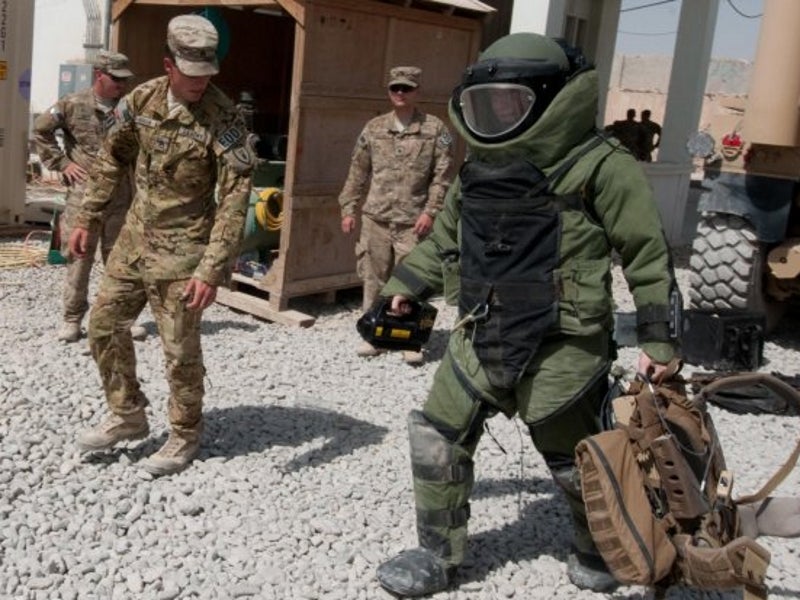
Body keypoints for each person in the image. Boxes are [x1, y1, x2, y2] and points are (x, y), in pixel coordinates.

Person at [375, 33, 680, 597]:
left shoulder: (603, 167)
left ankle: (600, 546)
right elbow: (445, 239)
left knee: (579, 459)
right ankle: (437, 552)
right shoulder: (478, 168)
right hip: (479, 330)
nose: (498, 112)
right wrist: (405, 288)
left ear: (555, 99)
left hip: (563, 342)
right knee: (438, 436)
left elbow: (646, 254)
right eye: (488, 102)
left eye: (512, 101)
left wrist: (660, 341)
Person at [69, 14, 255, 476]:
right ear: (169, 65)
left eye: (207, 72)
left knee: (179, 350)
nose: (200, 82)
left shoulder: (223, 117)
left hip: (185, 250)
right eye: (191, 73)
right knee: (103, 325)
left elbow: (235, 199)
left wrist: (211, 268)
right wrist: (88, 217)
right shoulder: (141, 100)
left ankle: (185, 433)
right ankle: (128, 413)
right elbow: (111, 159)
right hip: (135, 240)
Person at [338, 66, 454, 365]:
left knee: (411, 282)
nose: (400, 93)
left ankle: (410, 340)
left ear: (417, 91)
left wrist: (431, 212)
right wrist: (348, 209)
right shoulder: (374, 128)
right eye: (395, 88)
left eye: (406, 88)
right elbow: (357, 171)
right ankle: (373, 335)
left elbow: (441, 177)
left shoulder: (435, 129)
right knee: (373, 277)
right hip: (376, 217)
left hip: (413, 222)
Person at [33, 50, 147, 343]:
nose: (121, 85)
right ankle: (72, 319)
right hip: (84, 197)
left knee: (120, 260)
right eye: (116, 79)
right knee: (79, 258)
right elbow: (41, 131)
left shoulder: (129, 108)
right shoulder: (72, 104)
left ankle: (120, 319)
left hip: (121, 196)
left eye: (124, 80)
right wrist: (62, 164)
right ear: (99, 75)